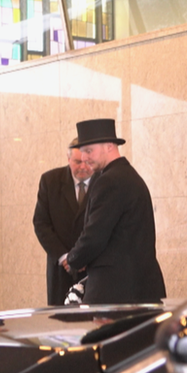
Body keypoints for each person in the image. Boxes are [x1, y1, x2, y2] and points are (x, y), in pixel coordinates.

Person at [65, 119, 166, 304]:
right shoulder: (128, 175)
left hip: (115, 292)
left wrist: (72, 259)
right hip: (138, 288)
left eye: (89, 151)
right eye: (82, 152)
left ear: (109, 146)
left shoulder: (109, 181)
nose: (85, 158)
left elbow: (94, 236)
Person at [33, 138, 93, 306]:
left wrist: (83, 257)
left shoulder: (103, 181)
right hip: (60, 269)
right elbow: (41, 223)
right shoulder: (50, 181)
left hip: (92, 269)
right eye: (77, 161)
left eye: (86, 162)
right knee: (60, 322)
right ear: (68, 159)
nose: (82, 166)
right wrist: (65, 257)